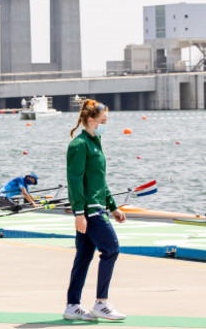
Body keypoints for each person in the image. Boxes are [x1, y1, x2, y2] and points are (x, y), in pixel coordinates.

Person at [63, 99, 126, 321]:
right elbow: (75, 180)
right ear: (90, 120)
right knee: (112, 249)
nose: (105, 125)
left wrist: (113, 207)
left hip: (98, 206)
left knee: (83, 256)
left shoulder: (95, 141)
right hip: (90, 210)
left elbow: (99, 180)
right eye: (102, 121)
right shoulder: (79, 145)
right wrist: (79, 213)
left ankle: (72, 305)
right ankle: (101, 302)